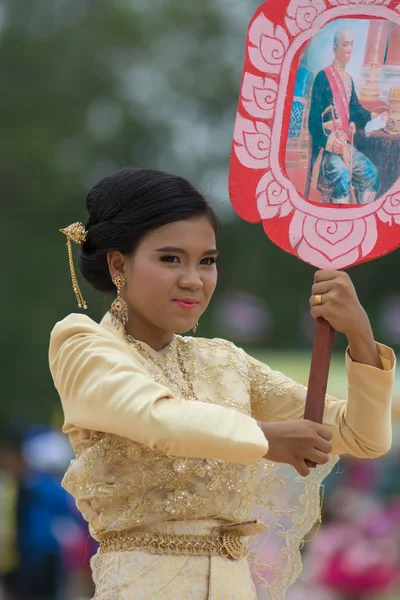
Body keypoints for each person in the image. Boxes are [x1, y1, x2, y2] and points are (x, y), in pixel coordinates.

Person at [49, 167, 394, 599]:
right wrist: (268, 438)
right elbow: (160, 420)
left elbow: (360, 437)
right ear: (119, 264)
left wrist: (360, 337)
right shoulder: (82, 345)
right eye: (170, 258)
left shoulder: (224, 361)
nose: (194, 279)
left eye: (207, 261)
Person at [308, 27, 387, 205]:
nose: (349, 49)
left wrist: (375, 115)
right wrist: (330, 143)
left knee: (371, 174)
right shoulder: (323, 77)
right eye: (345, 45)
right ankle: (339, 221)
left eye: (351, 45)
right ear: (335, 50)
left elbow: (356, 110)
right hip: (326, 152)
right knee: (343, 175)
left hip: (345, 146)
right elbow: (313, 122)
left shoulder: (348, 79)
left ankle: (359, 216)